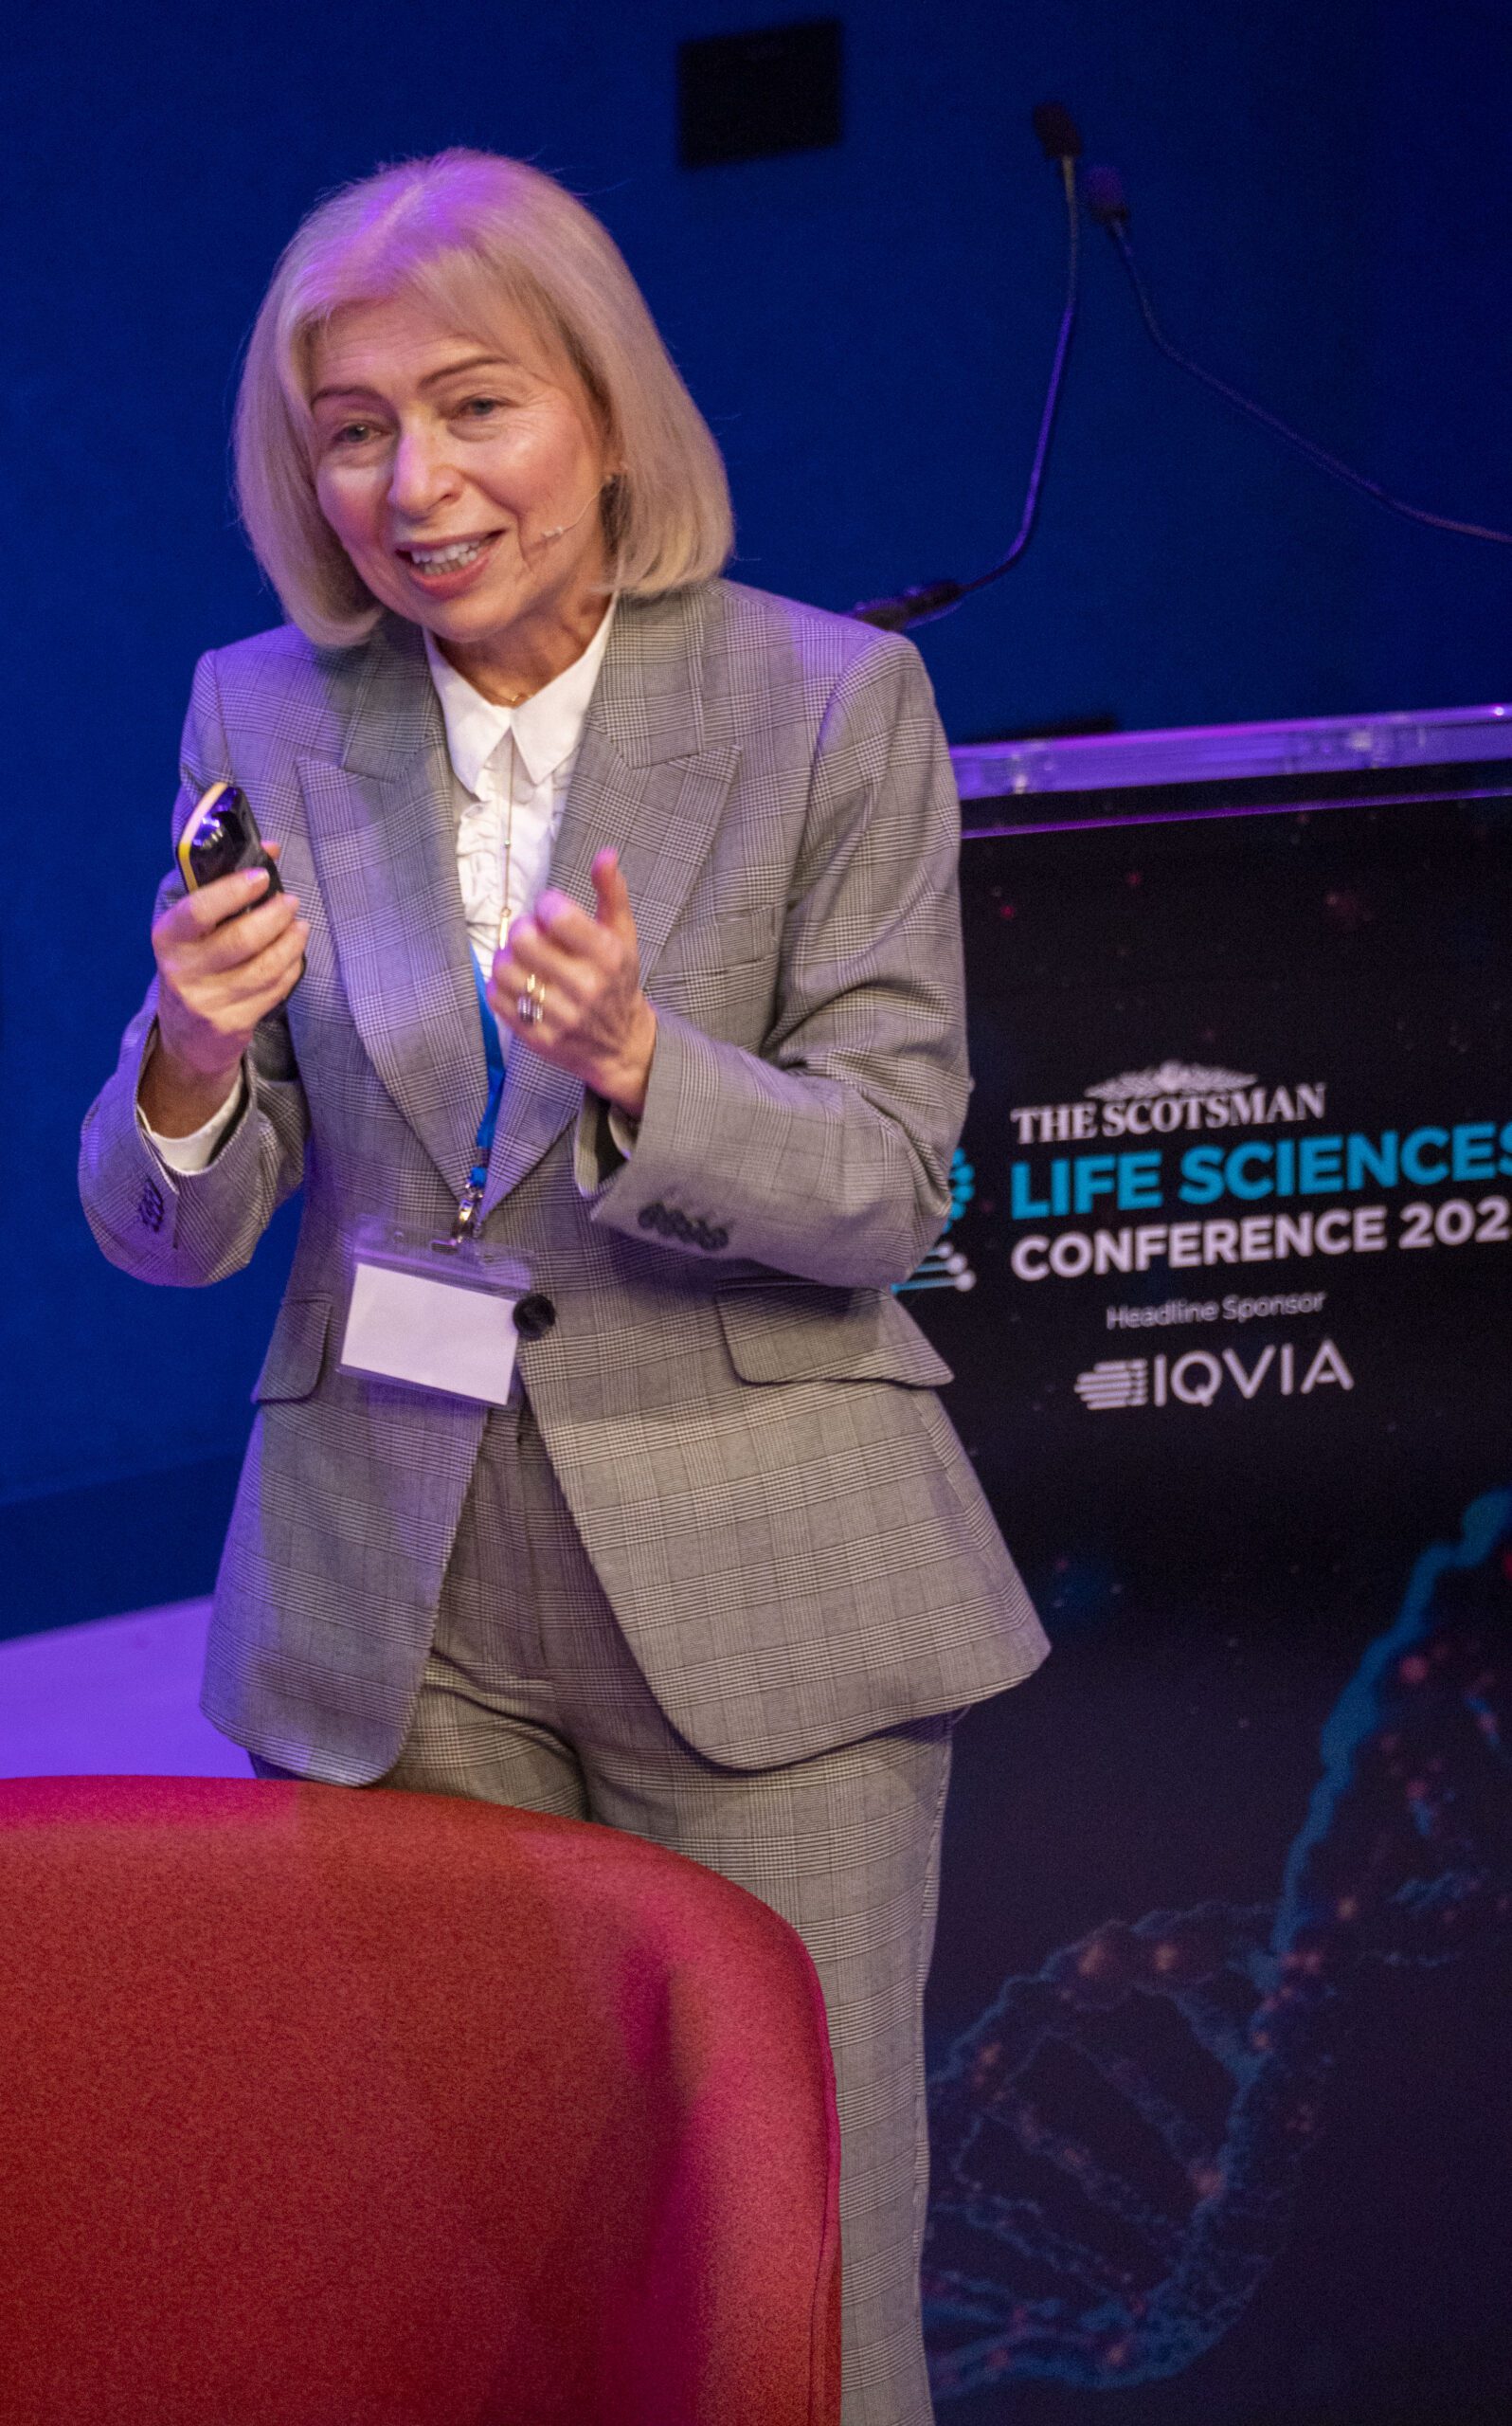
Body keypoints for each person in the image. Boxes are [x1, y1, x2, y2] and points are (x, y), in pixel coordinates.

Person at [80, 151, 1049, 2426]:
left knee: (794, 2264)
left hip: (766, 1587)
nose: (414, 486)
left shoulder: (833, 700)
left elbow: (891, 1181)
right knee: (461, 2251)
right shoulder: (260, 710)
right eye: (352, 429)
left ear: (604, 410)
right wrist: (191, 1057)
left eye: (475, 406)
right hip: (388, 1607)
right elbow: (169, 1223)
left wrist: (642, 1066)